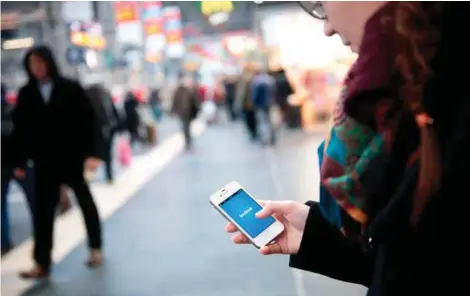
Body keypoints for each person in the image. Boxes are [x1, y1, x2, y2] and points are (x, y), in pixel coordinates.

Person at [225, 2, 469, 295]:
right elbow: (422, 264)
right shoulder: (402, 90)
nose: (327, 27)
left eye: (321, 3)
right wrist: (313, 235)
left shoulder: (434, 92)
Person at [11, 46, 104, 279]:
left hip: (71, 158)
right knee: (42, 213)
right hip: (43, 162)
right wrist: (19, 161)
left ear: (50, 62)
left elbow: (89, 121)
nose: (37, 68)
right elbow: (20, 130)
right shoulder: (26, 94)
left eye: (41, 63)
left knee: (85, 203)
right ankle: (42, 262)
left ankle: (95, 248)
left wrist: (92, 154)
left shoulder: (70, 88)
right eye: (33, 64)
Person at [1, 83, 36, 254]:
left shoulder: (13, 112)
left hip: (13, 165)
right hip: (17, 166)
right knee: (34, 202)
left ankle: (4, 244)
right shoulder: (12, 112)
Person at [86, 84, 121, 184]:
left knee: (93, 154)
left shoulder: (89, 100)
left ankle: (90, 175)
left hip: (97, 133)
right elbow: (115, 114)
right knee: (108, 155)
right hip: (108, 131)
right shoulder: (106, 97)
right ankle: (109, 176)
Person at [171, 74, 200, 151]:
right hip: (184, 112)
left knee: (186, 127)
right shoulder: (180, 91)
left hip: (187, 113)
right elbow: (175, 102)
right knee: (185, 127)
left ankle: (188, 141)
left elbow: (194, 102)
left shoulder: (187, 91)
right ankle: (187, 141)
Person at [251, 69, 276, 146]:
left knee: (263, 121)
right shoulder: (270, 80)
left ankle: (265, 138)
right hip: (270, 103)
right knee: (269, 120)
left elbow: (255, 95)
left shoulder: (257, 81)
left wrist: (254, 103)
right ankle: (271, 137)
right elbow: (275, 92)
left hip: (260, 104)